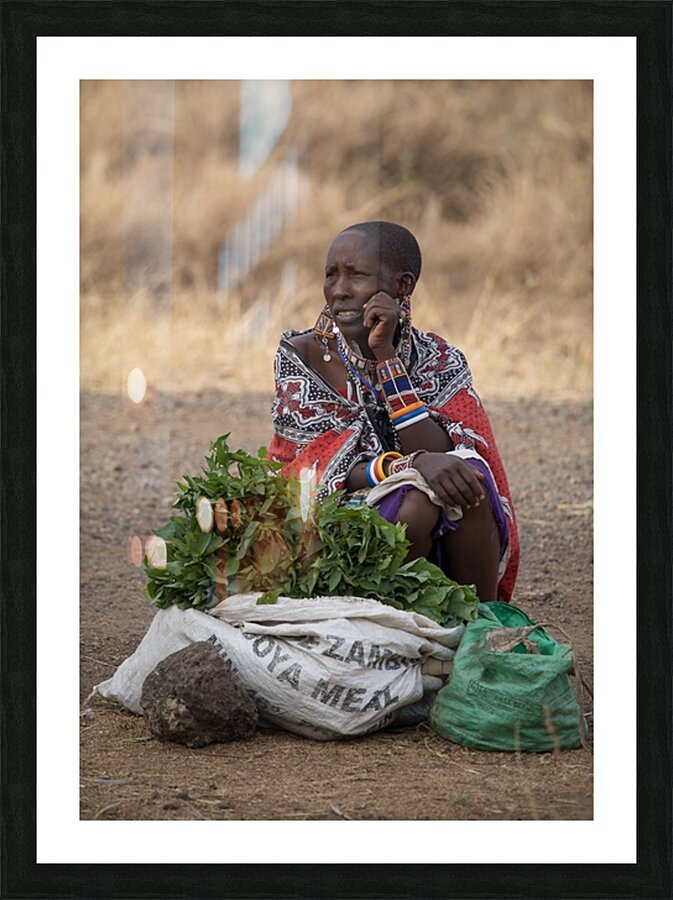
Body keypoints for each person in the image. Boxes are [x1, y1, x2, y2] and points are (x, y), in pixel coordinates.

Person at [268, 221, 518, 602]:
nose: (339, 291)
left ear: (402, 286)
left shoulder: (439, 359)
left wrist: (385, 356)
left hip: (438, 522)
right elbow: (309, 467)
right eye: (331, 275)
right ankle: (394, 621)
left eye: (357, 275)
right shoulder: (303, 356)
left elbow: (449, 456)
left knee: (470, 479)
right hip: (330, 514)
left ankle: (481, 624)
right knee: (414, 501)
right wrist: (406, 466)